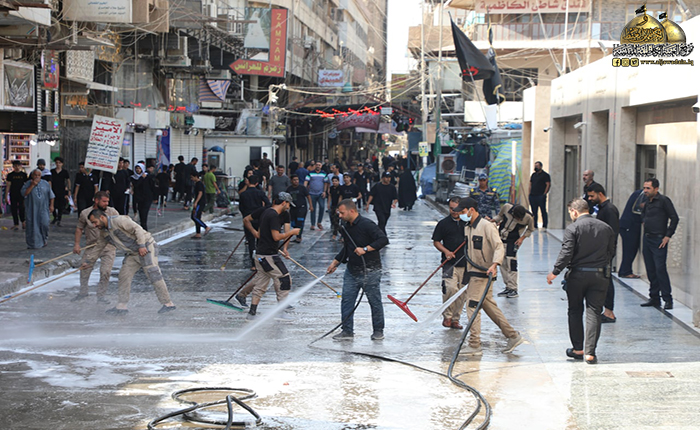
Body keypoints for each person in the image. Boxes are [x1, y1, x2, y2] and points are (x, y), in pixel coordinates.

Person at [546, 198, 615, 364]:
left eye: (570, 212)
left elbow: (567, 252)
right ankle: (590, 353)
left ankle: (578, 349)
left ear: (574, 211)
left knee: (575, 310)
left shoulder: (573, 228)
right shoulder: (606, 228)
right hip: (600, 275)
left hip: (577, 275)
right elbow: (611, 251)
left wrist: (555, 272)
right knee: (594, 312)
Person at [457, 197, 524, 355]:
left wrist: (495, 265)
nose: (461, 215)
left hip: (483, 274)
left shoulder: (487, 226)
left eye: (463, 211)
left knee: (472, 306)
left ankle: (474, 344)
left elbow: (499, 246)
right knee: (488, 306)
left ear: (471, 210)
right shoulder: (468, 227)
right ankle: (513, 336)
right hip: (473, 272)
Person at [85, 209, 177, 314]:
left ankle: (168, 303)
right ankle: (122, 306)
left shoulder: (119, 220)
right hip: (133, 253)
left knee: (153, 274)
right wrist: (88, 261)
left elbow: (138, 229)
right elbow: (99, 247)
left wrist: (141, 245)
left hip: (146, 248)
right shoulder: (104, 232)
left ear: (102, 217)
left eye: (95, 222)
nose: (94, 225)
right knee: (124, 275)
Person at [327, 199, 389, 341]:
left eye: (342, 213)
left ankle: (378, 330)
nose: (340, 216)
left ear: (352, 211)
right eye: (339, 213)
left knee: (374, 301)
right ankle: (347, 331)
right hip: (352, 270)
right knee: (347, 301)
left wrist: (366, 249)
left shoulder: (367, 224)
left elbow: (383, 240)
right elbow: (347, 248)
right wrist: (335, 262)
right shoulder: (346, 227)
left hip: (370, 270)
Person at [242, 193, 300, 321]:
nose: (288, 207)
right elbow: (276, 237)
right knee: (284, 278)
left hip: (261, 254)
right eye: (288, 204)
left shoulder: (266, 212)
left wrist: (284, 249)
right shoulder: (273, 216)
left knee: (261, 283)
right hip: (268, 256)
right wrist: (292, 232)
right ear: (283, 202)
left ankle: (252, 313)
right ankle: (281, 311)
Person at [639, 178, 679, 310]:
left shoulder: (663, 201)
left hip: (659, 240)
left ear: (656, 189)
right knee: (650, 269)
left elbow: (674, 218)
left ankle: (667, 299)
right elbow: (643, 215)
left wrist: (668, 235)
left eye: (648, 188)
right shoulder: (646, 201)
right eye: (644, 188)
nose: (645, 190)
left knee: (660, 269)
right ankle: (654, 298)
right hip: (647, 238)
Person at [72, 191, 118, 303]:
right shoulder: (85, 213)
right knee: (85, 269)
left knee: (105, 272)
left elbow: (119, 226)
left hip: (108, 247)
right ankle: (83, 292)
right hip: (92, 246)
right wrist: (77, 244)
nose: (106, 204)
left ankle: (101, 296)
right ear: (96, 200)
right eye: (104, 201)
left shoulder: (112, 212)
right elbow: (79, 228)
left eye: (107, 201)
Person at [586, 183, 620, 323]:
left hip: (605, 251)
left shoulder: (609, 210)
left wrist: (607, 252)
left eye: (592, 196)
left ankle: (609, 312)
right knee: (603, 280)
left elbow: (613, 233)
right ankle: (606, 310)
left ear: (600, 194)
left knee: (607, 280)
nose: (590, 199)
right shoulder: (602, 208)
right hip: (601, 250)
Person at [432, 196, 467, 329]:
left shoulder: (468, 223)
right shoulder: (443, 223)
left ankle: (456, 319)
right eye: (451, 209)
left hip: (466, 262)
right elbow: (436, 241)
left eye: (456, 209)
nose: (454, 212)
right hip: (449, 263)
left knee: (462, 292)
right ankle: (447, 316)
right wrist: (446, 251)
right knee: (450, 289)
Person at [491, 203, 535, 299]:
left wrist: (522, 238)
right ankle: (508, 287)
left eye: (520, 219)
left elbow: (530, 229)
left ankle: (513, 288)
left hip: (513, 241)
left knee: (511, 264)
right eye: (517, 218)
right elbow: (500, 216)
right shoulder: (506, 207)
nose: (519, 220)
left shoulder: (529, 217)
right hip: (501, 239)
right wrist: (493, 220)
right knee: (502, 263)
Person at [239, 174, 270, 267]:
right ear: (256, 183)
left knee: (251, 242)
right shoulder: (260, 193)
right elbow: (268, 204)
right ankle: (260, 261)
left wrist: (245, 215)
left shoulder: (243, 194)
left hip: (247, 219)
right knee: (260, 241)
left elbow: (241, 208)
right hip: (259, 218)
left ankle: (253, 263)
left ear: (248, 182)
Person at [21, 169, 55, 249]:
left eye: (38, 175)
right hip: (32, 209)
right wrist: (32, 185)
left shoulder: (45, 184)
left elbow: (51, 196)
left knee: (45, 223)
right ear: (32, 176)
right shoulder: (27, 184)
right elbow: (24, 194)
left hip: (43, 208)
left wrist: (52, 205)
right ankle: (32, 243)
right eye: (35, 175)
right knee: (32, 226)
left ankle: (44, 239)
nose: (37, 177)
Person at [618, 189, 646, 278]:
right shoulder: (642, 194)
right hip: (629, 225)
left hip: (630, 225)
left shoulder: (640, 193)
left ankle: (625, 270)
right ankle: (625, 271)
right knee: (629, 249)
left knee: (631, 249)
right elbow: (639, 207)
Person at [286, 174, 311, 243]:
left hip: (302, 207)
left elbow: (308, 196)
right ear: (291, 181)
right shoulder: (289, 189)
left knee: (300, 222)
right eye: (294, 180)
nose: (296, 181)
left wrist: (311, 206)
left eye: (297, 180)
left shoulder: (302, 188)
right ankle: (297, 234)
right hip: (293, 208)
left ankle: (299, 237)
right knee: (293, 223)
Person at [130, 163, 155, 231]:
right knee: (141, 212)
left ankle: (144, 228)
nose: (138, 170)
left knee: (144, 212)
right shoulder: (133, 177)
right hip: (139, 198)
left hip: (147, 197)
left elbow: (152, 186)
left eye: (139, 168)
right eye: (137, 168)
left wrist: (155, 197)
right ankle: (142, 227)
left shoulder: (147, 176)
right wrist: (141, 178)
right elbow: (136, 185)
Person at [5, 160, 28, 230]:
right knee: (13, 209)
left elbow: (27, 185)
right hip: (13, 194)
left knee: (22, 208)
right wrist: (6, 196)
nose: (17, 167)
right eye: (15, 166)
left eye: (18, 166)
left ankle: (23, 222)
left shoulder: (24, 175)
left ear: (20, 166)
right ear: (13, 167)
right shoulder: (10, 175)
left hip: (21, 194)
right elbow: (8, 185)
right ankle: (16, 224)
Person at [305, 161, 327, 230]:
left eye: (319, 165)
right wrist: (304, 189)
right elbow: (306, 181)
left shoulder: (324, 173)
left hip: (321, 193)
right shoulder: (310, 173)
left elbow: (325, 183)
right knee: (312, 208)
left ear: (321, 166)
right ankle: (313, 224)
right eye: (317, 165)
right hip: (312, 194)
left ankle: (319, 222)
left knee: (322, 207)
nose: (318, 166)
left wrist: (324, 191)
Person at [529, 161, 551, 229]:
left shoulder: (545, 175)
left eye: (537, 166)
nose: (536, 167)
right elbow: (530, 184)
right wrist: (529, 193)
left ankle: (545, 225)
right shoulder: (533, 175)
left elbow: (548, 184)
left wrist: (544, 193)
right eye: (535, 166)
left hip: (540, 195)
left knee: (543, 210)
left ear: (541, 166)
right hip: (533, 195)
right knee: (534, 211)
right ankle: (535, 225)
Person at [50, 157, 70, 226]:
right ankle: (55, 217)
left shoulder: (64, 172)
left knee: (61, 205)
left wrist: (69, 189)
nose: (58, 164)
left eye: (59, 163)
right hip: (54, 189)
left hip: (61, 190)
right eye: (57, 163)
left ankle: (59, 219)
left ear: (62, 164)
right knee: (53, 204)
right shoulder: (52, 171)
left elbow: (68, 180)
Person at [190, 171, 211, 239]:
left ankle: (206, 227)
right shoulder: (197, 183)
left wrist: (196, 202)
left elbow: (200, 193)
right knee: (197, 217)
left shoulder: (199, 184)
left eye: (192, 177)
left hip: (200, 202)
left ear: (196, 177)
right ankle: (198, 233)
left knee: (194, 217)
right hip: (199, 202)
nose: (191, 179)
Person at [328, 176, 342, 240]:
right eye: (333, 181)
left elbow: (340, 197)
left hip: (338, 205)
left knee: (337, 219)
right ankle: (336, 231)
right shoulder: (331, 188)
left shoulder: (341, 188)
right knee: (333, 219)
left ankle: (336, 233)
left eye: (336, 181)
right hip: (333, 205)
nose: (334, 182)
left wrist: (338, 206)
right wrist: (328, 203)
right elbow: (330, 196)